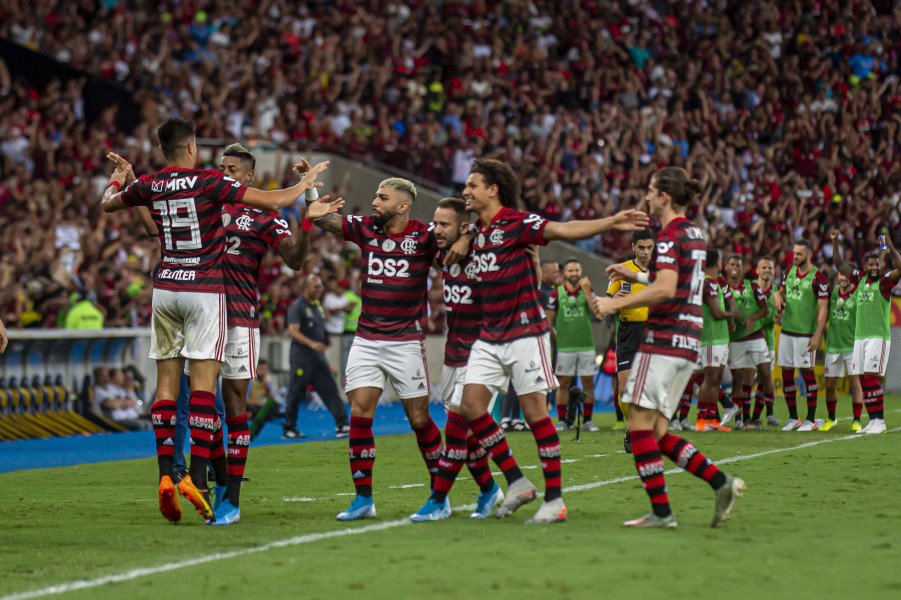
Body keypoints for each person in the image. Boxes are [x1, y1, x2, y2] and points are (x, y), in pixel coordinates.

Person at [100, 116, 334, 523]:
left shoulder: (259, 216)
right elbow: (156, 228)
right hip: (203, 305)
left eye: (232, 170)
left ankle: (230, 496)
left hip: (237, 317)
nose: (224, 172)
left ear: (248, 176)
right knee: (196, 399)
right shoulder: (207, 193)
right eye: (221, 166)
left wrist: (309, 215)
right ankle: (202, 482)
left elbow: (295, 260)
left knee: (232, 402)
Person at [412, 158, 648, 524]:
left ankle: (554, 499)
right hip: (489, 336)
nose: (465, 191)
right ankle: (517, 481)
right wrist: (465, 235)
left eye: (472, 185)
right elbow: (449, 237)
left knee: (536, 413)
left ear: (493, 189)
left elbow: (565, 230)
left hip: (525, 331)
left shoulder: (518, 223)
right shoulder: (474, 231)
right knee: (470, 408)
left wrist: (611, 221)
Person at [308, 177, 471, 521]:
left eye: (382, 198)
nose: (374, 202)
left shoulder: (425, 236)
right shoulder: (367, 229)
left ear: (403, 205)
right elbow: (321, 218)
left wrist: (468, 235)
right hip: (366, 340)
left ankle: (439, 497)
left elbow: (457, 249)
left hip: (406, 342)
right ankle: (363, 499)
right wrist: (310, 193)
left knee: (419, 418)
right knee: (360, 414)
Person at [596, 166, 745, 529]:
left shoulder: (666, 236)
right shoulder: (693, 232)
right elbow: (673, 278)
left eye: (650, 190)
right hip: (688, 342)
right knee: (659, 432)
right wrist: (630, 274)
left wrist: (614, 304)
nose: (646, 196)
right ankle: (720, 482)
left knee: (637, 426)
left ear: (664, 196)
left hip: (662, 339)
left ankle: (661, 512)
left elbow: (665, 289)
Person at [423, 197, 503, 520]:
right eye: (435, 223)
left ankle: (437, 500)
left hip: (485, 353)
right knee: (468, 439)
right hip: (453, 355)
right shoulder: (441, 251)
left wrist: (470, 237)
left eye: (444, 225)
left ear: (464, 227)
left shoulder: (484, 252)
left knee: (455, 429)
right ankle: (490, 490)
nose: (436, 230)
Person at [832, 229, 901, 434]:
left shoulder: (885, 282)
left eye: (876, 264)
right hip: (859, 337)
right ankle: (872, 421)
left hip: (877, 337)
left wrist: (889, 246)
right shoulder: (860, 279)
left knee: (870, 377)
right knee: (863, 379)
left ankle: (880, 421)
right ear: (865, 266)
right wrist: (836, 242)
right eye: (870, 264)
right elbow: (839, 265)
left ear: (880, 266)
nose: (873, 267)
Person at [284, 274, 350, 439]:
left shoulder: (318, 305)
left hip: (318, 357)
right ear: (306, 287)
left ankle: (343, 425)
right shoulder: (297, 306)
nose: (319, 290)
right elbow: (293, 331)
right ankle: (289, 428)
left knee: (330, 389)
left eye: (320, 286)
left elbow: (324, 321)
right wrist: (312, 343)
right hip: (301, 356)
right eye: (316, 287)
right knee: (296, 392)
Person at [679, 248, 738, 432]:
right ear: (717, 263)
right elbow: (715, 312)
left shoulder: (711, 282)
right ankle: (702, 419)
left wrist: (729, 319)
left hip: (719, 337)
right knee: (710, 378)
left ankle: (710, 418)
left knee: (715, 378)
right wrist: (732, 314)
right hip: (711, 337)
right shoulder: (708, 283)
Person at [773, 238, 829, 431]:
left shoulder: (818, 278)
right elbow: (780, 292)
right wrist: (777, 296)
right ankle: (793, 418)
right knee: (787, 374)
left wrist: (817, 335)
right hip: (787, 332)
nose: (795, 257)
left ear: (809, 255)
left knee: (808, 375)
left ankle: (811, 420)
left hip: (805, 335)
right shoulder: (788, 272)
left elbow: (823, 309)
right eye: (794, 253)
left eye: (799, 254)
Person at [606, 227, 655, 433]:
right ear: (633, 247)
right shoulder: (622, 271)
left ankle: (642, 428)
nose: (645, 252)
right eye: (641, 247)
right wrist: (612, 301)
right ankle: (631, 426)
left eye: (649, 247)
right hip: (628, 331)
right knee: (624, 389)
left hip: (652, 332)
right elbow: (607, 301)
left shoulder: (660, 272)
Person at [723, 254, 775, 430]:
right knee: (738, 380)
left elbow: (765, 309)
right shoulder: (722, 287)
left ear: (742, 267)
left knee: (765, 372)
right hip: (735, 339)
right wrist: (729, 321)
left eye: (738, 264)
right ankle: (739, 419)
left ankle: (768, 413)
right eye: (732, 264)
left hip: (755, 336)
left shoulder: (751, 286)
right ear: (726, 267)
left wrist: (753, 318)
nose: (735, 267)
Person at [548, 258, 599, 432]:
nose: (574, 274)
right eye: (570, 271)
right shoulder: (556, 293)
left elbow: (596, 312)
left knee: (588, 383)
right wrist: (559, 339)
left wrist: (586, 290)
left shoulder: (587, 290)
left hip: (586, 345)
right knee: (563, 383)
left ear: (581, 271)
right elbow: (548, 322)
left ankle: (588, 421)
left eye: (576, 270)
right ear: (565, 274)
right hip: (565, 348)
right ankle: (562, 420)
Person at [822, 266, 863, 431]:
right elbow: (823, 313)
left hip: (853, 346)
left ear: (851, 276)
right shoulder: (832, 293)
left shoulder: (859, 294)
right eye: (841, 274)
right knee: (830, 384)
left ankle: (857, 420)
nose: (843, 278)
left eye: (846, 275)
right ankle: (831, 418)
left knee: (855, 383)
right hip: (833, 345)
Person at [749, 256, 781, 427]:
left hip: (768, 341)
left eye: (770, 268)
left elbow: (780, 317)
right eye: (764, 268)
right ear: (757, 271)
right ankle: (743, 418)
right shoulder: (750, 288)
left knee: (765, 380)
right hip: (750, 340)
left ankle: (764, 415)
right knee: (746, 380)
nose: (767, 271)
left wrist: (780, 317)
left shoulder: (776, 290)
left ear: (774, 271)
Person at [91, 367, 151, 431]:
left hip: (123, 418)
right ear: (97, 377)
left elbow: (128, 402)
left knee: (148, 423)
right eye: (103, 375)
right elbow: (114, 406)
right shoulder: (98, 391)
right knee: (141, 425)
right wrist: (124, 403)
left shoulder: (106, 389)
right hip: (109, 422)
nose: (106, 377)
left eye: (106, 375)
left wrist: (120, 402)